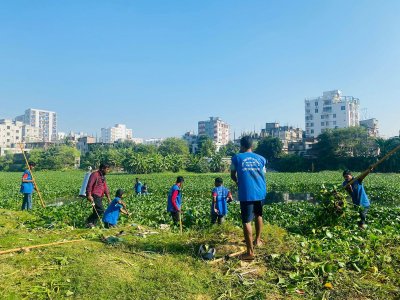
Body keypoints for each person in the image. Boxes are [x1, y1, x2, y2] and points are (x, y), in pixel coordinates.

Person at [231, 136, 267, 261]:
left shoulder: (237, 158)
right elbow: (262, 174)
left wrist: (238, 182)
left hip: (247, 192)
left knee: (246, 221)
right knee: (258, 215)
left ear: (241, 146)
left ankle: (250, 253)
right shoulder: (261, 159)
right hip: (260, 191)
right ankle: (257, 240)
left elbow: (232, 175)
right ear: (252, 146)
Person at [86, 163, 112, 228]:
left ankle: (91, 224)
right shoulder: (95, 174)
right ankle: (89, 221)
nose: (108, 171)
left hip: (100, 196)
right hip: (95, 195)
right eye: (107, 169)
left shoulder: (103, 176)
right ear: (102, 169)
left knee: (96, 211)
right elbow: (89, 185)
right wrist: (89, 195)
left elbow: (105, 187)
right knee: (101, 210)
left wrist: (108, 198)